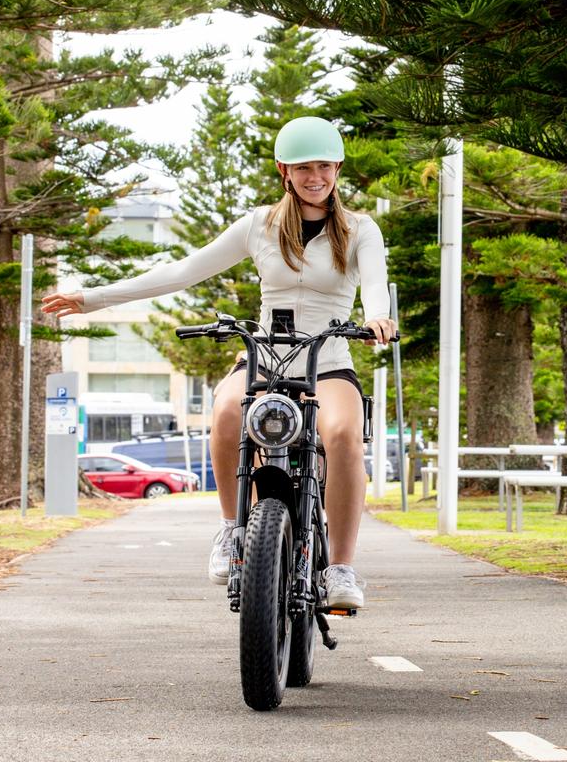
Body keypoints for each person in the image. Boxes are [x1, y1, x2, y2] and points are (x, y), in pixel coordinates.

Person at [42, 116, 396, 610]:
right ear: (284, 172)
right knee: (226, 410)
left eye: (323, 166)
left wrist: (378, 316)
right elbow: (182, 271)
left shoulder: (361, 230)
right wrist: (91, 298)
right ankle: (232, 531)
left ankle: (340, 566)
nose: (314, 176)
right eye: (302, 168)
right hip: (266, 358)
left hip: (328, 359)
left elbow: (376, 285)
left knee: (341, 435)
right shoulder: (259, 226)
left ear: (337, 168)